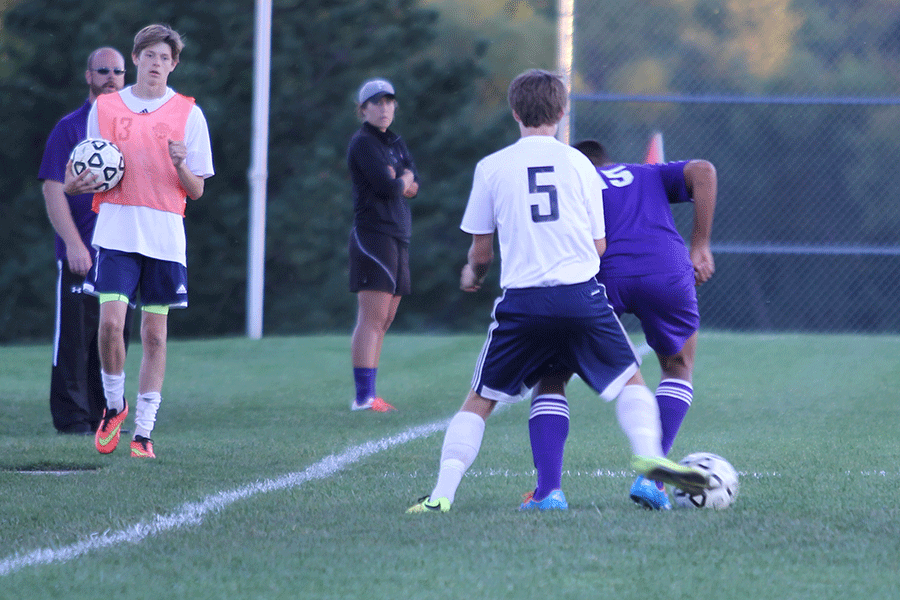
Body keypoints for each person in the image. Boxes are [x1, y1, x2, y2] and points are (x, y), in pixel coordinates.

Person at [407, 69, 709, 514]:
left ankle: (442, 495)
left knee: (480, 400)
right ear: (563, 112)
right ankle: (649, 452)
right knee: (632, 382)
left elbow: (482, 252)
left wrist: (472, 273)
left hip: (523, 303)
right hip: (581, 297)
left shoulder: (491, 167)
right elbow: (600, 244)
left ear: (514, 112)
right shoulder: (581, 166)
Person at [525, 139, 718, 511]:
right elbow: (704, 171)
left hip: (601, 275)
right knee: (677, 367)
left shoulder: (570, 180)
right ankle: (652, 480)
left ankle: (548, 491)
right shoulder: (644, 173)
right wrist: (701, 244)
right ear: (608, 161)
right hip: (666, 271)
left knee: (552, 375)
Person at [72, 24, 214, 458]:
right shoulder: (108, 106)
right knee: (111, 325)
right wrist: (78, 182)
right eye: (149, 55)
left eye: (164, 58)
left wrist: (181, 164)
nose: (156, 64)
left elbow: (196, 190)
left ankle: (144, 433)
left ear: (175, 65)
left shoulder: (189, 113)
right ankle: (114, 406)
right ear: (136, 59)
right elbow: (80, 174)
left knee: (155, 336)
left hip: (165, 236)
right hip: (116, 230)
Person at [38, 47, 133, 435]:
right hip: (82, 254)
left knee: (113, 336)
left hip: (120, 254)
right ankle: (73, 417)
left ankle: (105, 413)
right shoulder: (70, 127)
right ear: (88, 75)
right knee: (75, 338)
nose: (111, 76)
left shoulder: (130, 128)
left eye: (118, 71)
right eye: (103, 70)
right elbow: (52, 189)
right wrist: (75, 245)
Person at [346, 78, 418, 412]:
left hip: (398, 232)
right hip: (374, 234)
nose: (384, 108)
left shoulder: (395, 143)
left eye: (389, 101)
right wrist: (400, 180)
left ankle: (371, 393)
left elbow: (412, 182)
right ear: (363, 109)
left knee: (386, 318)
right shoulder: (364, 143)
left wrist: (400, 179)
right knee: (372, 317)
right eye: (376, 102)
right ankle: (364, 397)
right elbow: (390, 186)